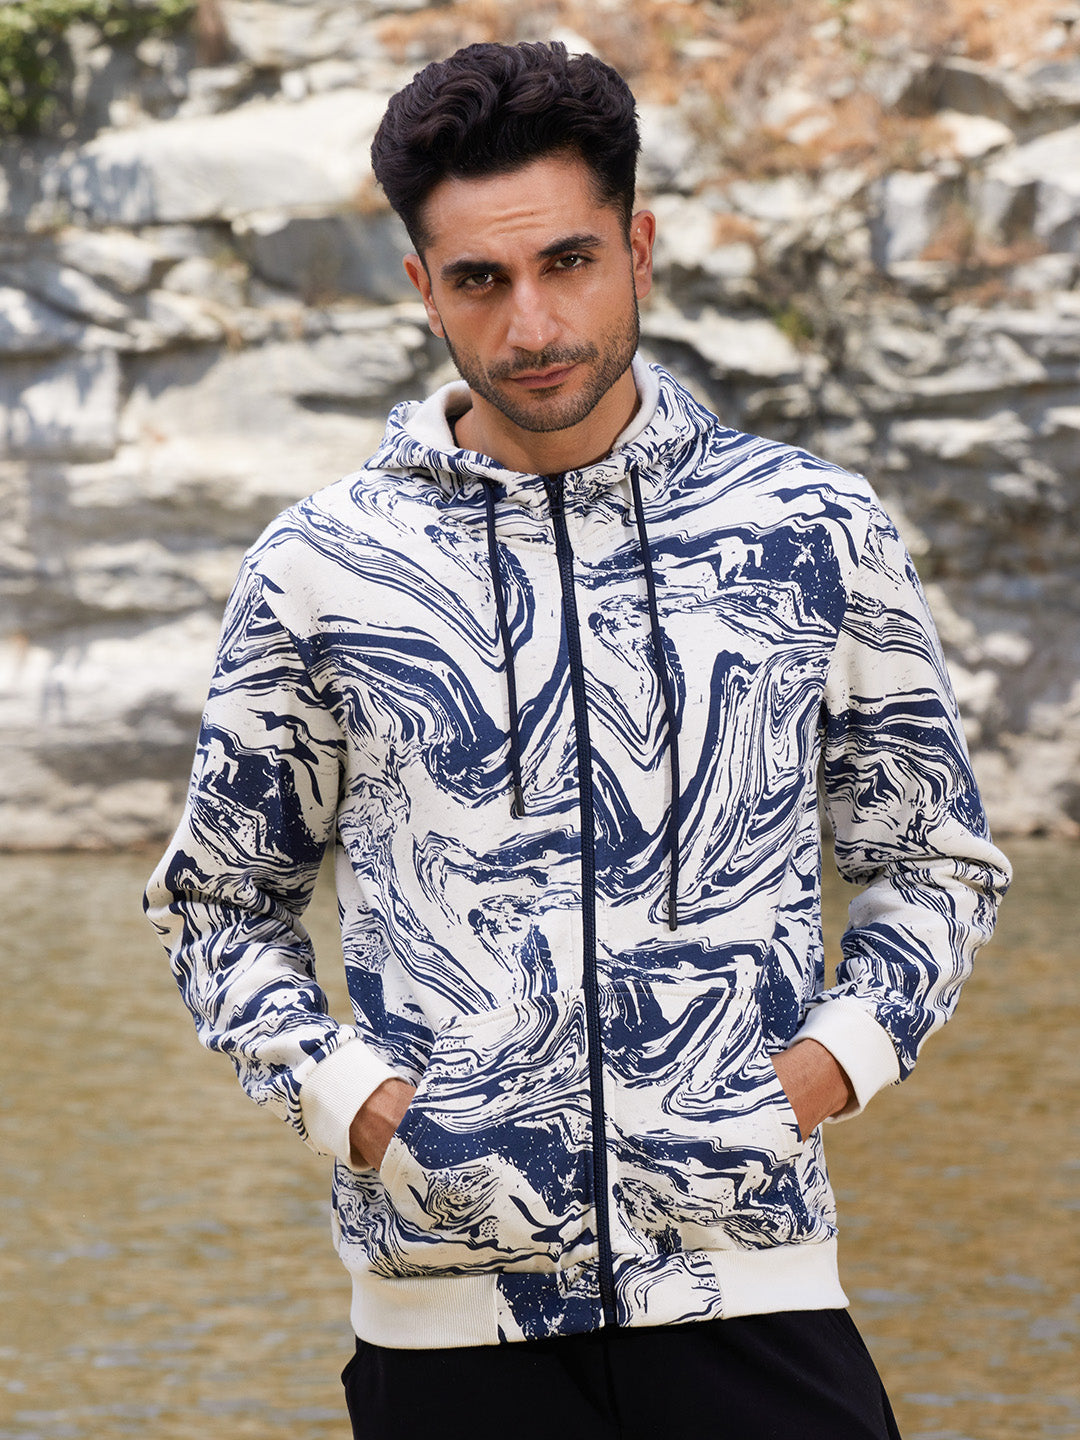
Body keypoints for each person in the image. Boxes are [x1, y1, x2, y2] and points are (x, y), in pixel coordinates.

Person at [145, 39, 1011, 1440]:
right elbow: (219, 906)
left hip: (752, 1294)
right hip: (448, 1331)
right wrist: (360, 1106)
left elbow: (934, 864)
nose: (533, 323)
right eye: (481, 280)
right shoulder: (321, 567)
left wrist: (819, 1075)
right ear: (423, 286)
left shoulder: (812, 530)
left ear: (639, 250)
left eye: (568, 262)